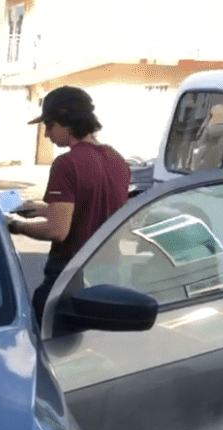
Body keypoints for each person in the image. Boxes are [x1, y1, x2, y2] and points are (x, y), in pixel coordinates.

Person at [7, 85, 131, 323]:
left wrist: (14, 224)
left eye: (49, 126)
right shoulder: (117, 160)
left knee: (50, 348)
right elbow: (95, 207)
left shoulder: (67, 163)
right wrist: (43, 210)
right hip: (108, 272)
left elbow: (57, 231)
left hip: (70, 275)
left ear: (66, 122)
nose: (46, 135)